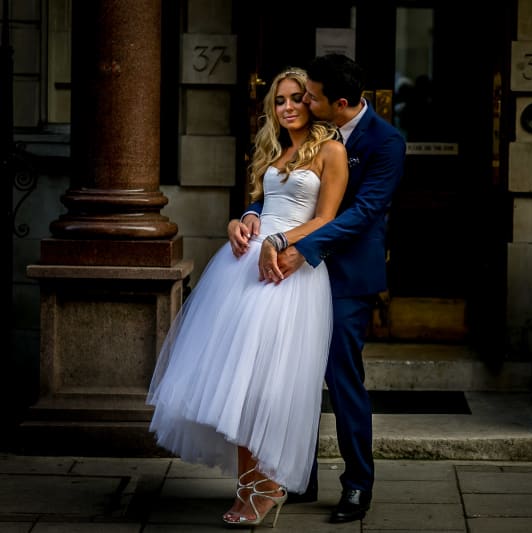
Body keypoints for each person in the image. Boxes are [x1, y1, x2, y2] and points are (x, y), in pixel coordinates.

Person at [146, 67, 348, 528]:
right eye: (280, 101)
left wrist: (280, 243)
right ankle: (248, 483)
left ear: (313, 101)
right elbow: (261, 205)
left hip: (289, 270)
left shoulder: (331, 150)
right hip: (245, 266)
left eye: (297, 98)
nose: (289, 107)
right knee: (237, 380)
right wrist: (240, 222)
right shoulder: (274, 149)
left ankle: (269, 484)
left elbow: (327, 219)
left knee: (269, 384)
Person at [228, 53, 406, 523]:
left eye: (311, 95)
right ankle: (298, 476)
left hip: (346, 276)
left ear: (339, 102)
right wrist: (252, 212)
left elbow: (362, 212)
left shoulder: (387, 142)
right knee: (288, 372)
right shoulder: (310, 130)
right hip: (295, 271)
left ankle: (356, 485)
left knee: (339, 376)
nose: (302, 100)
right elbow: (283, 182)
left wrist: (294, 243)